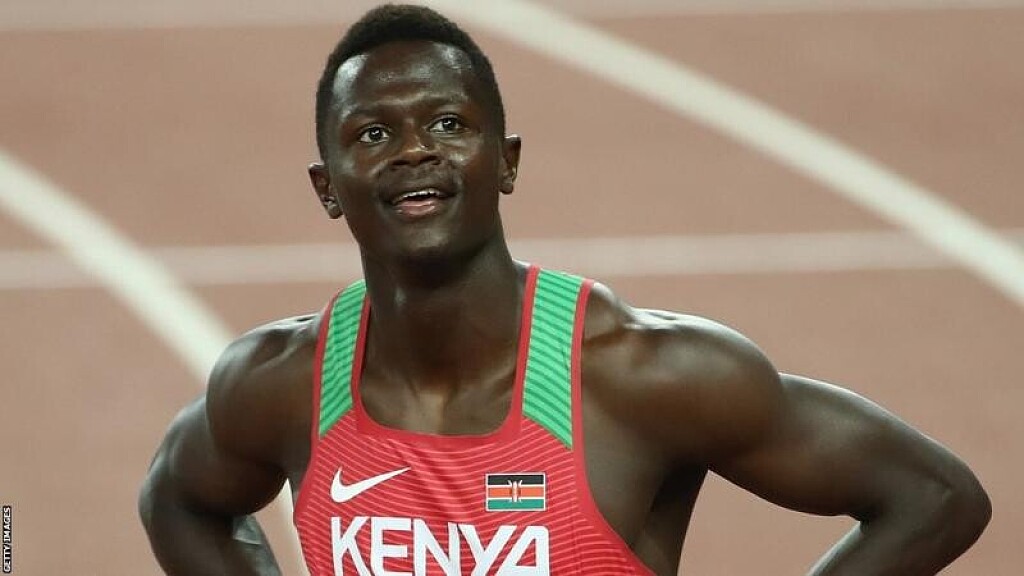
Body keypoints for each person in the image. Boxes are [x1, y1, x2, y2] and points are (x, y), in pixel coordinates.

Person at [138, 5, 991, 575]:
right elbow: (177, 500)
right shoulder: (281, 384)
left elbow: (936, 498)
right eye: (372, 133)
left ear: (505, 162)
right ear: (328, 187)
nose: (414, 150)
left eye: (448, 123)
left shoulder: (637, 375)